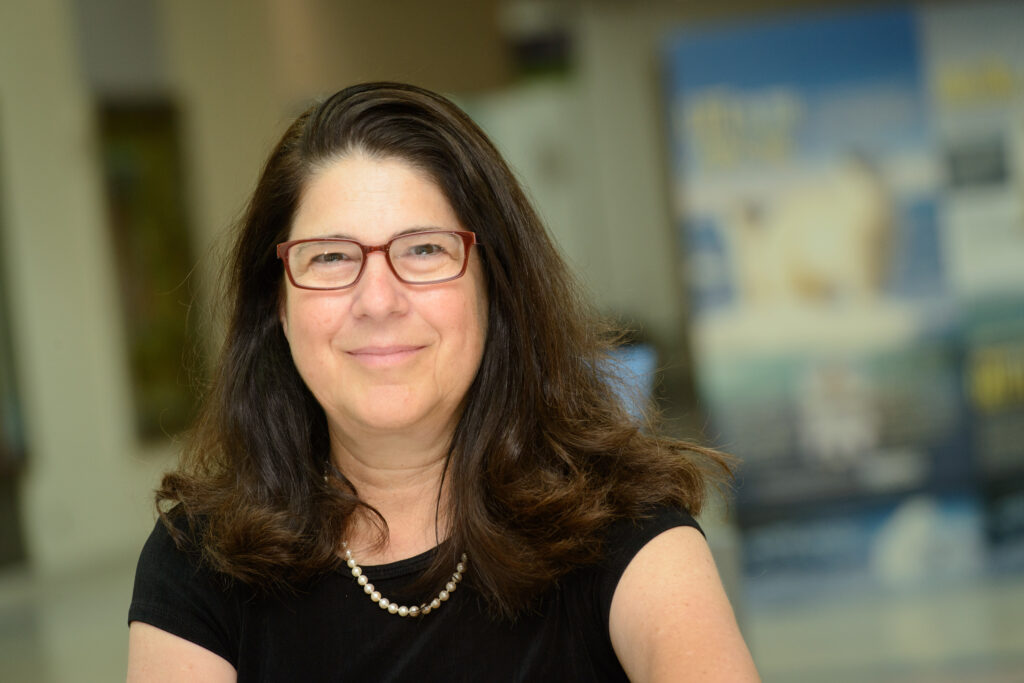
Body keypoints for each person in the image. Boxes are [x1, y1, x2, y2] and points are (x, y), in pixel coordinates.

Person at [126, 82, 759, 682]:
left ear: (495, 286)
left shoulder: (624, 526)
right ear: (280, 307)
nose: (378, 301)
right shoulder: (199, 562)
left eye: (425, 249)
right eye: (331, 257)